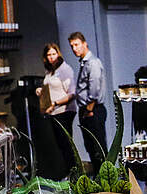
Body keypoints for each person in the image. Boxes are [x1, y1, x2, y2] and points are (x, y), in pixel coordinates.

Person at [69, 32, 107, 172]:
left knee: (98, 147)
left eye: (77, 44)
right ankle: (99, 177)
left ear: (85, 44)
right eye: (72, 46)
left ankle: (104, 179)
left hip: (93, 109)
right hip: (87, 109)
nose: (74, 49)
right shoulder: (84, 62)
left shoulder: (92, 63)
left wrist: (89, 109)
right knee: (91, 147)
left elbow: (95, 87)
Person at [38, 43, 77, 173]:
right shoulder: (50, 71)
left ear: (58, 54)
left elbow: (71, 93)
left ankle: (73, 173)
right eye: (48, 55)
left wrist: (55, 104)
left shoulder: (65, 70)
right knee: (61, 145)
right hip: (53, 113)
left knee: (67, 145)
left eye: (53, 54)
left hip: (64, 112)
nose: (51, 57)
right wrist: (41, 91)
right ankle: (68, 173)